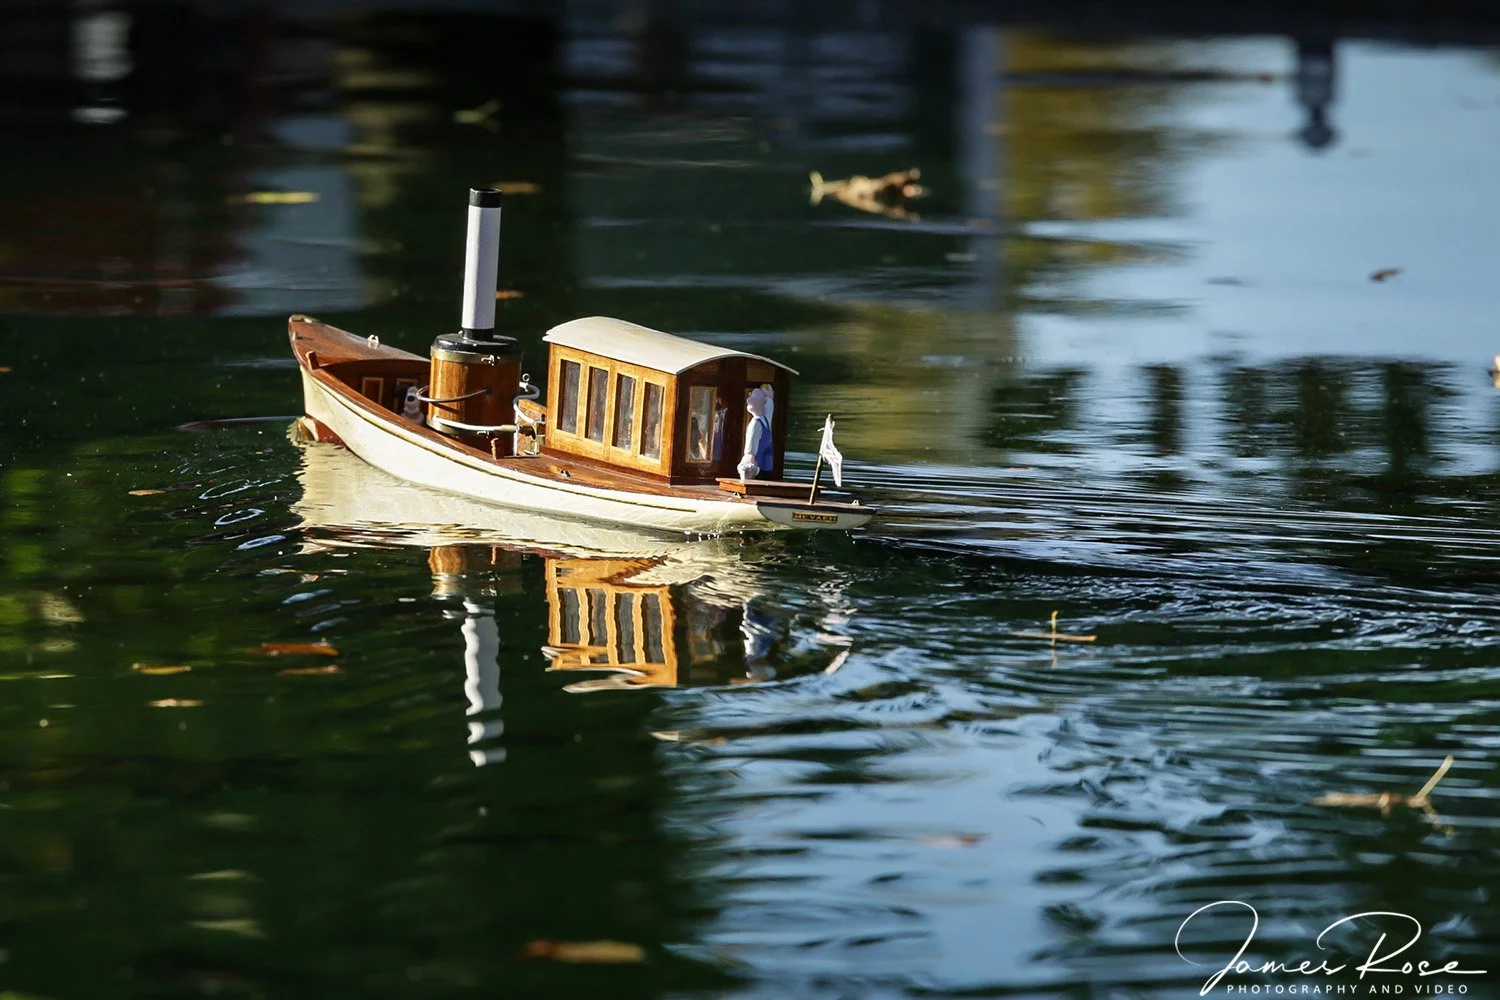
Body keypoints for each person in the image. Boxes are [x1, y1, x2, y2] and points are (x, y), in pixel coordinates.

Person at [737, 385, 775, 480]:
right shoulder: (760, 422)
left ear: (763, 402)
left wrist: (770, 398)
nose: (749, 400)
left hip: (761, 460)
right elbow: (769, 411)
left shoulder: (760, 422)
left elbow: (769, 412)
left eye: (754, 398)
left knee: (762, 475)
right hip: (761, 461)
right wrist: (770, 398)